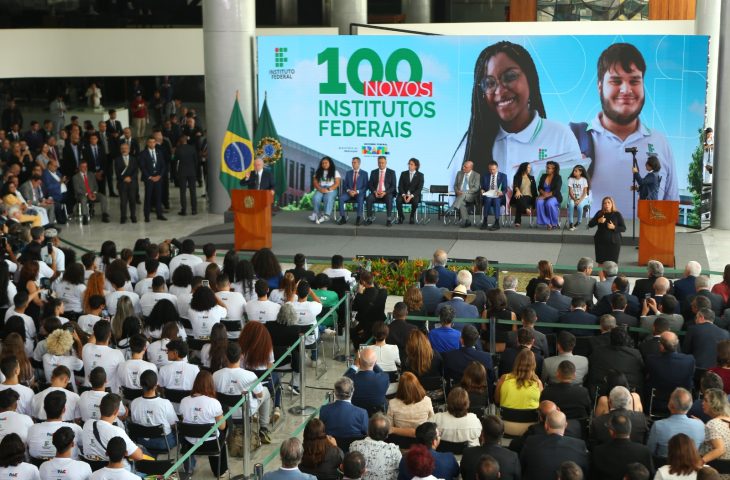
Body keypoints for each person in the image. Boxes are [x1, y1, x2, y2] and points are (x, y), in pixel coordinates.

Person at [576, 42, 677, 217]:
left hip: (648, 241)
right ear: (599, 85)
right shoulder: (576, 141)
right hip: (594, 241)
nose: (626, 89)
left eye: (634, 81)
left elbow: (671, 206)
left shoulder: (660, 142)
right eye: (616, 81)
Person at [179, 371, 226, 476]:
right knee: (223, 432)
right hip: (210, 444)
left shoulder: (184, 401)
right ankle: (220, 471)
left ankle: (189, 469)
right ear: (211, 384)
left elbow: (184, 419)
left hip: (189, 443)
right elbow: (222, 427)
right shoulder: (214, 403)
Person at [519, 410, 589, 480]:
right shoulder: (580, 445)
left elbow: (521, 467)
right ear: (566, 425)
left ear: (546, 426)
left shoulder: (531, 441)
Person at [590, 412, 654, 480]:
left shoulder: (598, 451)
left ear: (611, 432)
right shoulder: (644, 451)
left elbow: (592, 476)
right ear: (630, 429)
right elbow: (651, 475)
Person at [647, 388, 705, 458]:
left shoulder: (658, 426)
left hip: (663, 466)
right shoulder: (700, 425)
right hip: (692, 467)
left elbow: (650, 452)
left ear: (670, 405)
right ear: (690, 405)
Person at [495, 349, 543, 434]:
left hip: (505, 426)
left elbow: (497, 400)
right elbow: (540, 406)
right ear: (534, 365)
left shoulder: (504, 378)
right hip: (530, 428)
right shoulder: (538, 383)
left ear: (516, 362)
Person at [461, 415, 520, 480]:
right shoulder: (512, 457)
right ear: (502, 434)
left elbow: (464, 475)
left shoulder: (468, 454)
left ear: (482, 433)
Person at [350, 414, 402, 480]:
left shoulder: (355, 446)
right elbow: (400, 470)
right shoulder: (394, 450)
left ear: (368, 431)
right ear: (387, 434)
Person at [386, 372, 434, 438]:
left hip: (400, 440)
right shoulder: (427, 400)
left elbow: (390, 427)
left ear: (400, 387)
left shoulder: (392, 403)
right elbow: (431, 422)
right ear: (417, 384)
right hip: (422, 440)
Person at [344, 347, 389, 414]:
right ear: (375, 362)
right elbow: (382, 373)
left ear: (359, 361)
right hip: (377, 416)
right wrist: (373, 362)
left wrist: (355, 365)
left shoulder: (350, 379)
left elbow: (343, 379)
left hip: (356, 414)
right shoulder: (384, 378)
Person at [588, 196, 626, 264]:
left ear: (612, 204)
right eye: (605, 203)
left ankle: (612, 275)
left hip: (614, 243)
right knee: (601, 262)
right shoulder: (599, 213)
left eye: (609, 203)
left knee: (613, 263)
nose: (607, 204)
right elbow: (590, 224)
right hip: (600, 242)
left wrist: (614, 227)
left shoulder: (617, 214)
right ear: (602, 205)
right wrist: (598, 221)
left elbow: (623, 228)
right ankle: (601, 275)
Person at [699, 388, 730, 464]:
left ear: (715, 403)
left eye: (706, 400)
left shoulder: (713, 423)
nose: (702, 403)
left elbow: (720, 449)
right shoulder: (724, 421)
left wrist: (700, 462)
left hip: (716, 473)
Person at [364, 156, 396, 227]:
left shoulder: (391, 172)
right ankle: (369, 218)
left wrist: (385, 192)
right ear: (377, 163)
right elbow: (370, 185)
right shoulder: (373, 172)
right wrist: (375, 191)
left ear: (386, 163)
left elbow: (393, 186)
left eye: (382, 163)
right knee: (369, 198)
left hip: (386, 193)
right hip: (376, 193)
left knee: (389, 199)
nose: (381, 164)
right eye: (379, 163)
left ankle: (388, 219)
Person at [336, 157, 368, 226]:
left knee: (360, 198)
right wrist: (349, 191)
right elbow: (345, 185)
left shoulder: (364, 173)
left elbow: (365, 186)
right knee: (341, 198)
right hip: (349, 193)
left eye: (354, 162)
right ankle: (343, 218)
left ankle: (358, 218)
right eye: (352, 162)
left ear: (359, 164)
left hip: (359, 193)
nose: (353, 164)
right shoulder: (348, 173)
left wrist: (357, 191)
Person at [309, 156, 341, 224]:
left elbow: (337, 183)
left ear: (330, 163)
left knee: (328, 197)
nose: (324, 164)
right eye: (323, 163)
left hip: (331, 188)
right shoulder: (318, 172)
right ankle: (317, 214)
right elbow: (315, 182)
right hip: (321, 188)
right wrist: (320, 189)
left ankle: (326, 215)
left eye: (326, 163)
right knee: (315, 198)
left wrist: (328, 189)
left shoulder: (335, 172)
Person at [113, 142, 138, 224]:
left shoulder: (133, 159)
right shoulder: (117, 160)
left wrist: (130, 178)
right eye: (122, 148)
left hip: (132, 183)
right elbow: (117, 172)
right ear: (120, 150)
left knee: (132, 200)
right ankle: (123, 217)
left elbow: (136, 171)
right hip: (122, 183)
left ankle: (133, 216)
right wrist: (124, 178)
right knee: (123, 201)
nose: (124, 150)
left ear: (129, 149)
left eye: (126, 148)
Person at [451, 160, 480, 228]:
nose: (463, 168)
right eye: (463, 166)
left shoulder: (476, 175)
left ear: (471, 168)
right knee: (461, 202)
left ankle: (452, 207)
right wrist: (457, 191)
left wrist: (464, 192)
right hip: (460, 195)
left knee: (462, 194)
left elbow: (476, 188)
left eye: (465, 167)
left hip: (471, 196)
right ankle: (467, 221)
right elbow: (455, 185)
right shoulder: (459, 173)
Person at [480, 160, 508, 231]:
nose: (492, 171)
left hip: (498, 196)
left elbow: (505, 189)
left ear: (497, 168)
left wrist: (501, 192)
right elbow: (482, 187)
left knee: (496, 200)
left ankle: (496, 222)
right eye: (490, 169)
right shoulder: (485, 176)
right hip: (488, 195)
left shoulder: (503, 176)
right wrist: (482, 190)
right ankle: (485, 221)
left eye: (493, 169)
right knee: (488, 199)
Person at [395, 158, 424, 224]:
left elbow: (419, 189)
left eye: (411, 164)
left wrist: (411, 196)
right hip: (403, 194)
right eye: (409, 164)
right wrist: (404, 195)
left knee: (415, 201)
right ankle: (401, 216)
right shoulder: (403, 173)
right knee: (398, 200)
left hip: (414, 195)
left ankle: (412, 216)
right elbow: (400, 186)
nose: (409, 165)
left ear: (416, 166)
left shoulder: (420, 175)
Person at [536, 160, 563, 230]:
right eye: (546, 167)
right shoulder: (543, 176)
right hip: (544, 195)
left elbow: (557, 190)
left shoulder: (558, 177)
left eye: (548, 168)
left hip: (555, 196)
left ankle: (554, 223)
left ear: (553, 169)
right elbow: (539, 187)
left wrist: (546, 196)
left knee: (549, 203)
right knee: (539, 202)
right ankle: (547, 222)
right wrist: (543, 193)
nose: (546, 169)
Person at [511, 162, 537, 228]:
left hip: (529, 197)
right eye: (528, 167)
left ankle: (517, 221)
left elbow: (534, 189)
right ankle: (527, 209)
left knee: (520, 201)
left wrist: (536, 199)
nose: (529, 169)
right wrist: (517, 191)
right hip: (519, 196)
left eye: (530, 168)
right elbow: (515, 185)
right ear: (524, 168)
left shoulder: (532, 178)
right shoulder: (517, 176)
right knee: (519, 197)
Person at [567, 165, 591, 230]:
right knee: (571, 204)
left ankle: (579, 221)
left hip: (583, 198)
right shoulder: (570, 179)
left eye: (576, 171)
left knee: (579, 206)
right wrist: (575, 199)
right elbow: (570, 191)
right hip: (573, 198)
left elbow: (585, 192)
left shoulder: (584, 180)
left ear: (580, 172)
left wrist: (579, 200)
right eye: (574, 170)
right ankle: (571, 223)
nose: (574, 172)